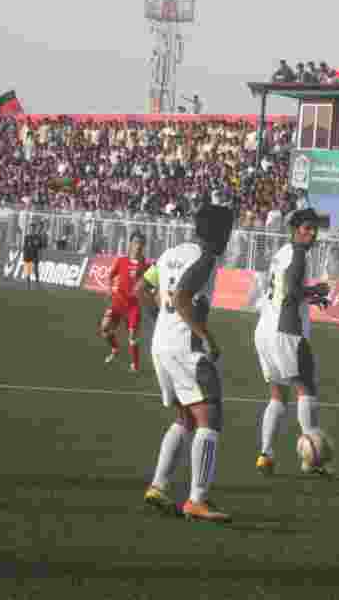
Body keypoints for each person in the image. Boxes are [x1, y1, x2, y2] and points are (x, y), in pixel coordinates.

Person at [136, 204, 235, 523]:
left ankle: (159, 486)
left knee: (185, 418)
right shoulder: (206, 258)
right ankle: (197, 500)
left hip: (162, 345)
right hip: (186, 348)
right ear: (220, 233)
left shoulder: (172, 253)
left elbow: (141, 288)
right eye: (228, 231)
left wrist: (159, 323)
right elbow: (180, 297)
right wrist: (205, 336)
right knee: (210, 417)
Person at [254, 209, 332, 476]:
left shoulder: (282, 252)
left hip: (265, 329)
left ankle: (265, 454)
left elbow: (282, 291)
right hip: (287, 330)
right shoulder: (298, 253)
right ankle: (311, 457)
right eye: (306, 228)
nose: (311, 233)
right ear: (295, 229)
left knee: (277, 396)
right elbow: (291, 291)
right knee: (306, 388)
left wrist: (310, 297)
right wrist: (317, 290)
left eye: (314, 229)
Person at [99, 232, 153, 372]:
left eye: (141, 243)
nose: (138, 246)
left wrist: (148, 294)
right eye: (135, 242)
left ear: (144, 246)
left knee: (133, 336)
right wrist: (109, 289)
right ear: (130, 244)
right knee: (104, 328)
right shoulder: (121, 261)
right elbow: (111, 276)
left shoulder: (146, 265)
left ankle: (135, 365)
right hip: (117, 302)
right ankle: (115, 348)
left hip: (133, 306)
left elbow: (152, 285)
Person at [22, 223, 44, 290]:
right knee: (28, 271)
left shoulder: (38, 237)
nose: (32, 230)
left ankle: (37, 284)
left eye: (33, 228)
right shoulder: (27, 237)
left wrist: (39, 255)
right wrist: (24, 256)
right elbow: (24, 247)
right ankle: (28, 285)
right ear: (29, 229)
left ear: (34, 229)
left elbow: (40, 246)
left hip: (35, 255)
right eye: (31, 228)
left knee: (35, 270)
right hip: (28, 255)